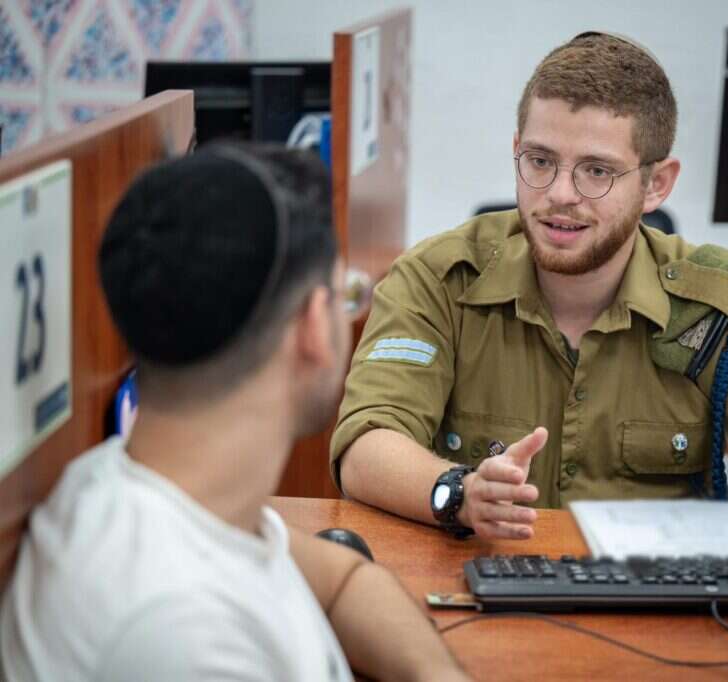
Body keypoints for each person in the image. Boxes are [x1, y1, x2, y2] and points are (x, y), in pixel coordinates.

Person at [0, 144, 467, 682]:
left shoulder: (131, 487)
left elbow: (342, 580)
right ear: (315, 326)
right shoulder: (179, 632)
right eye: (344, 295)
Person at [331, 32, 728, 541]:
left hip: (646, 613)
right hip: (478, 594)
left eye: (597, 171)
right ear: (517, 150)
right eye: (540, 161)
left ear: (657, 184)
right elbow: (364, 449)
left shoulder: (714, 310)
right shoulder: (438, 279)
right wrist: (459, 492)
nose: (560, 195)